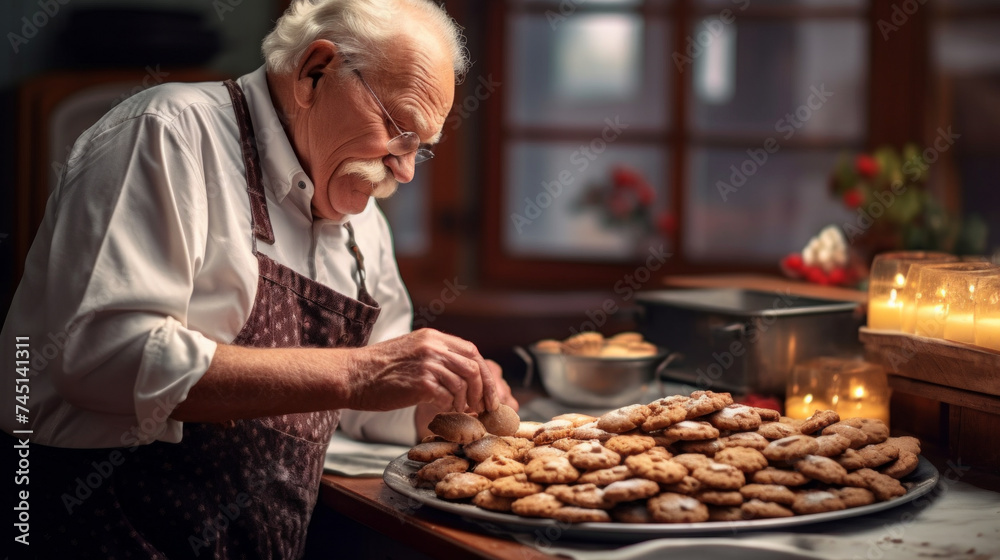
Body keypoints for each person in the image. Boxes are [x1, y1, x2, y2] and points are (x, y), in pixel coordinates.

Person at [0, 0, 517, 557]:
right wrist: (359, 373)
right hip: (95, 530)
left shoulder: (361, 224)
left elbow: (366, 396)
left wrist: (436, 399)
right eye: (398, 130)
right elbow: (103, 356)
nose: (406, 169)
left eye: (423, 148)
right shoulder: (168, 133)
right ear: (315, 72)